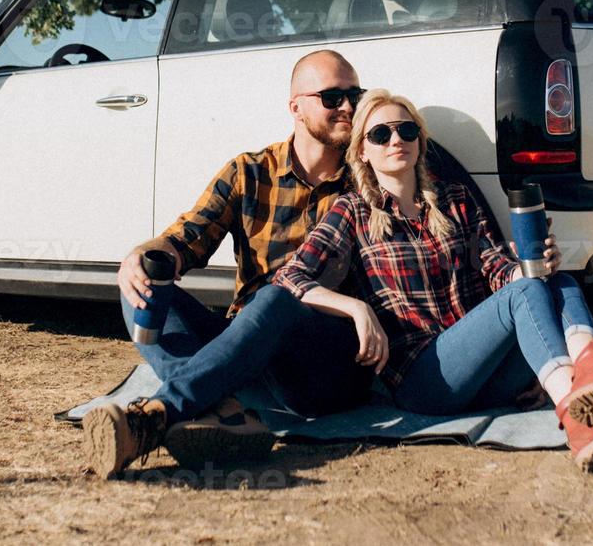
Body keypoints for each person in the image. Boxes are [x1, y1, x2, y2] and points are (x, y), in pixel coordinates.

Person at [272, 89, 593, 470]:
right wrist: (355, 308)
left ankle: (586, 374)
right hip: (427, 380)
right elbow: (290, 276)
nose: (396, 140)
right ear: (362, 149)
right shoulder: (352, 211)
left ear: (419, 141)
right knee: (527, 291)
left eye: (406, 129)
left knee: (558, 281)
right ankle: (574, 403)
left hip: (483, 370)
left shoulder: (454, 200)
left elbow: (495, 268)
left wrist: (531, 269)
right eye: (381, 134)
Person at [82, 50, 375, 478]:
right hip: (246, 350)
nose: (348, 107)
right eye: (332, 97)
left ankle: (158, 415)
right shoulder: (250, 171)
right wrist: (140, 256)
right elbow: (185, 237)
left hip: (323, 362)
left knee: (277, 297)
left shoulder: (365, 174)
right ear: (296, 107)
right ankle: (226, 412)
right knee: (142, 283)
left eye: (355, 95)